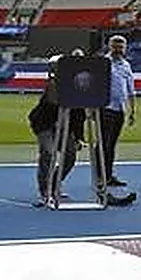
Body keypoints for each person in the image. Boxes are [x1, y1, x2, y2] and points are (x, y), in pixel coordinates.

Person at [28, 56, 80, 206]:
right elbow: (54, 101)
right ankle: (45, 190)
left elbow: (79, 114)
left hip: (65, 125)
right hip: (44, 124)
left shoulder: (79, 85)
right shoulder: (52, 84)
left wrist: (78, 136)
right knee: (48, 153)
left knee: (70, 156)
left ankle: (54, 183)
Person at [100, 34, 136, 187]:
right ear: (109, 46)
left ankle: (108, 175)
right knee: (103, 145)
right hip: (105, 108)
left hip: (120, 109)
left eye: (121, 46)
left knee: (111, 145)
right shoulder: (102, 63)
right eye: (115, 46)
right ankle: (100, 176)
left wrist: (132, 111)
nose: (118, 49)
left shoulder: (126, 65)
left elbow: (130, 90)